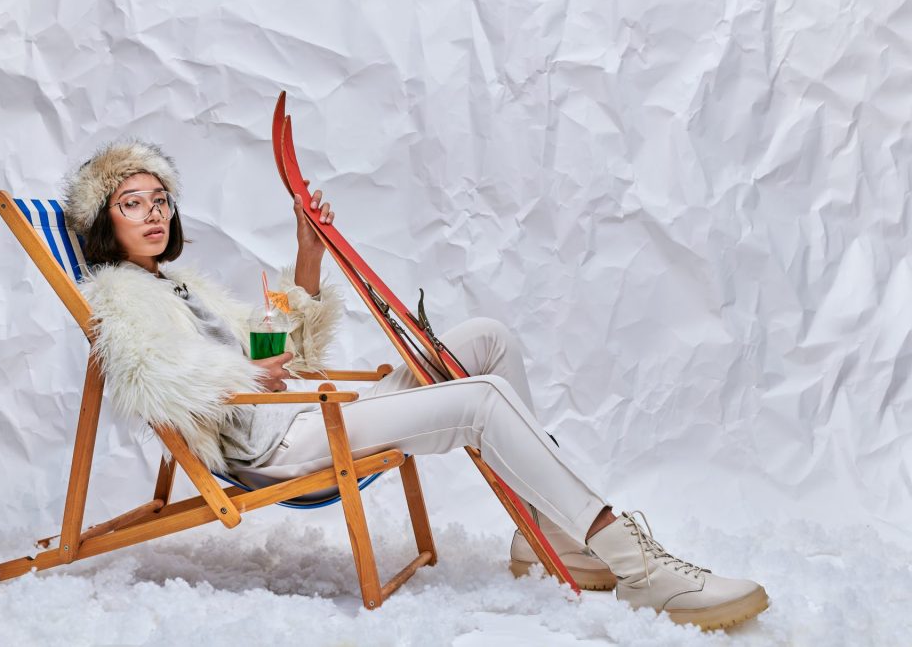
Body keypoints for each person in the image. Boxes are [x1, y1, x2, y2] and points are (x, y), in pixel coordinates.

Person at [63, 139, 769, 631]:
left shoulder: (184, 284)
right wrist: (247, 372)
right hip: (282, 443)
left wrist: (307, 251)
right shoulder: (121, 299)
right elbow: (158, 382)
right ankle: (629, 557)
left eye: (160, 199)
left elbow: (285, 344)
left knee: (487, 339)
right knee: (481, 403)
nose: (154, 212)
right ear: (104, 222)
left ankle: (541, 531)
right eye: (132, 203)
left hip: (305, 409)